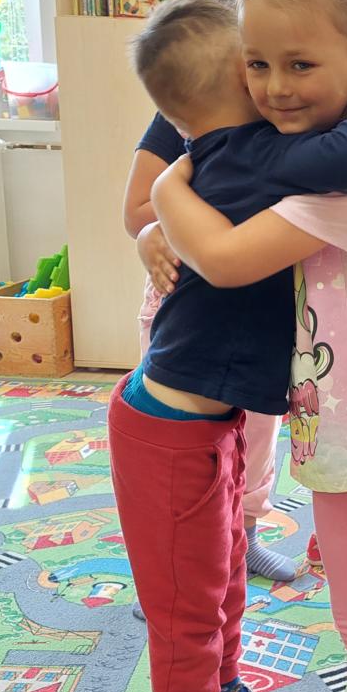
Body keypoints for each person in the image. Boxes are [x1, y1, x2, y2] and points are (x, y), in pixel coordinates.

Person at [108, 0, 347, 692]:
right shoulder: (251, 154)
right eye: (256, 67)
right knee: (189, 603)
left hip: (214, 417)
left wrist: (164, 204)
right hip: (172, 423)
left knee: (222, 578)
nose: (274, 88)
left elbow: (340, 156)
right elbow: (338, 159)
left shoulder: (239, 155)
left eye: (290, 65)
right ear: (234, 82)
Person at [124, 63, 291, 584]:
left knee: (255, 438)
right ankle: (170, 569)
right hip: (184, 312)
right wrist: (151, 231)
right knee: (177, 457)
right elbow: (136, 209)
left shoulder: (281, 115)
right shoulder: (184, 110)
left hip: (256, 318)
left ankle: (244, 538)